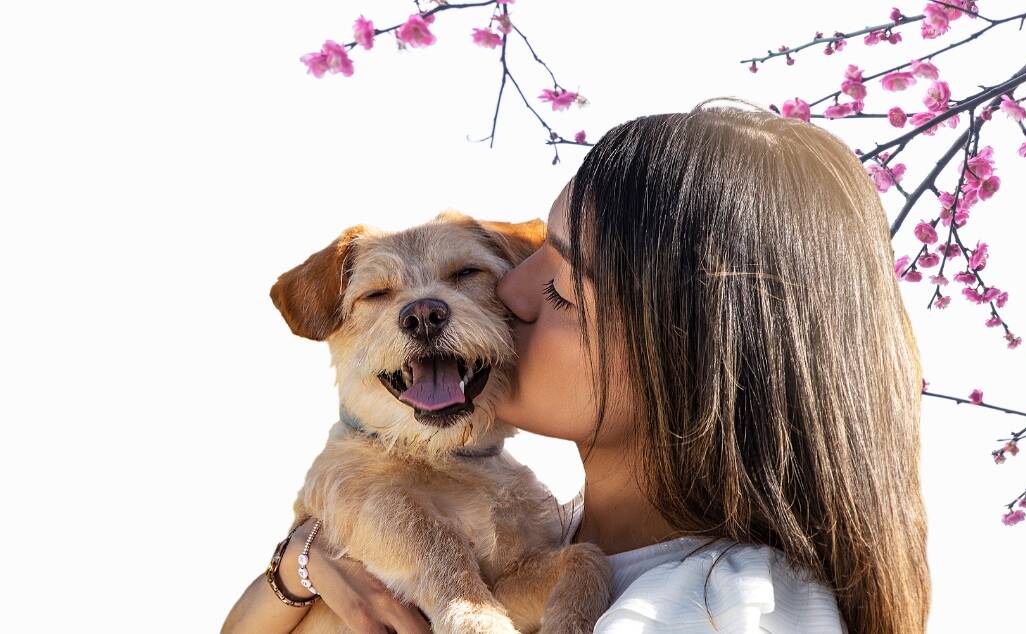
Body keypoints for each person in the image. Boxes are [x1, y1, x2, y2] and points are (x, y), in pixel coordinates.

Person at [223, 97, 930, 633]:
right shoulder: (552, 538)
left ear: (685, 347)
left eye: (562, 284)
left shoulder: (724, 606)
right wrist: (303, 564)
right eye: (531, 258)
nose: (510, 291)